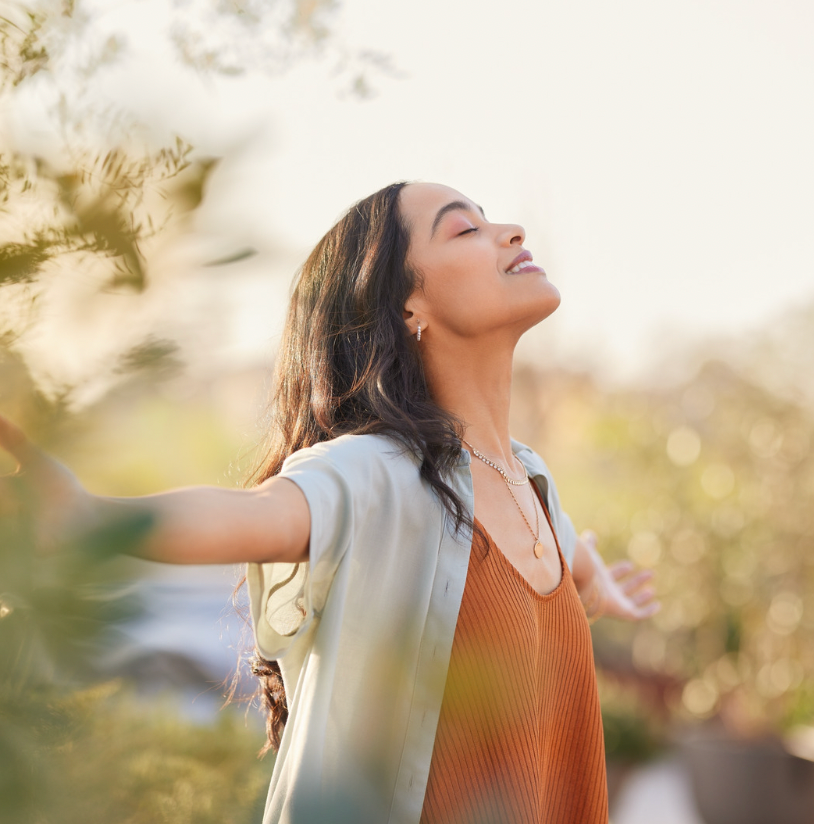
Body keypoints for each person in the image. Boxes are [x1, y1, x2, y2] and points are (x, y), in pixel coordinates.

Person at [0, 181, 660, 824]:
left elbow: (563, 559)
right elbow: (258, 515)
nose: (511, 232)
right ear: (408, 308)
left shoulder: (532, 482)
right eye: (465, 228)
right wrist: (89, 520)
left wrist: (594, 582)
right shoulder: (378, 472)